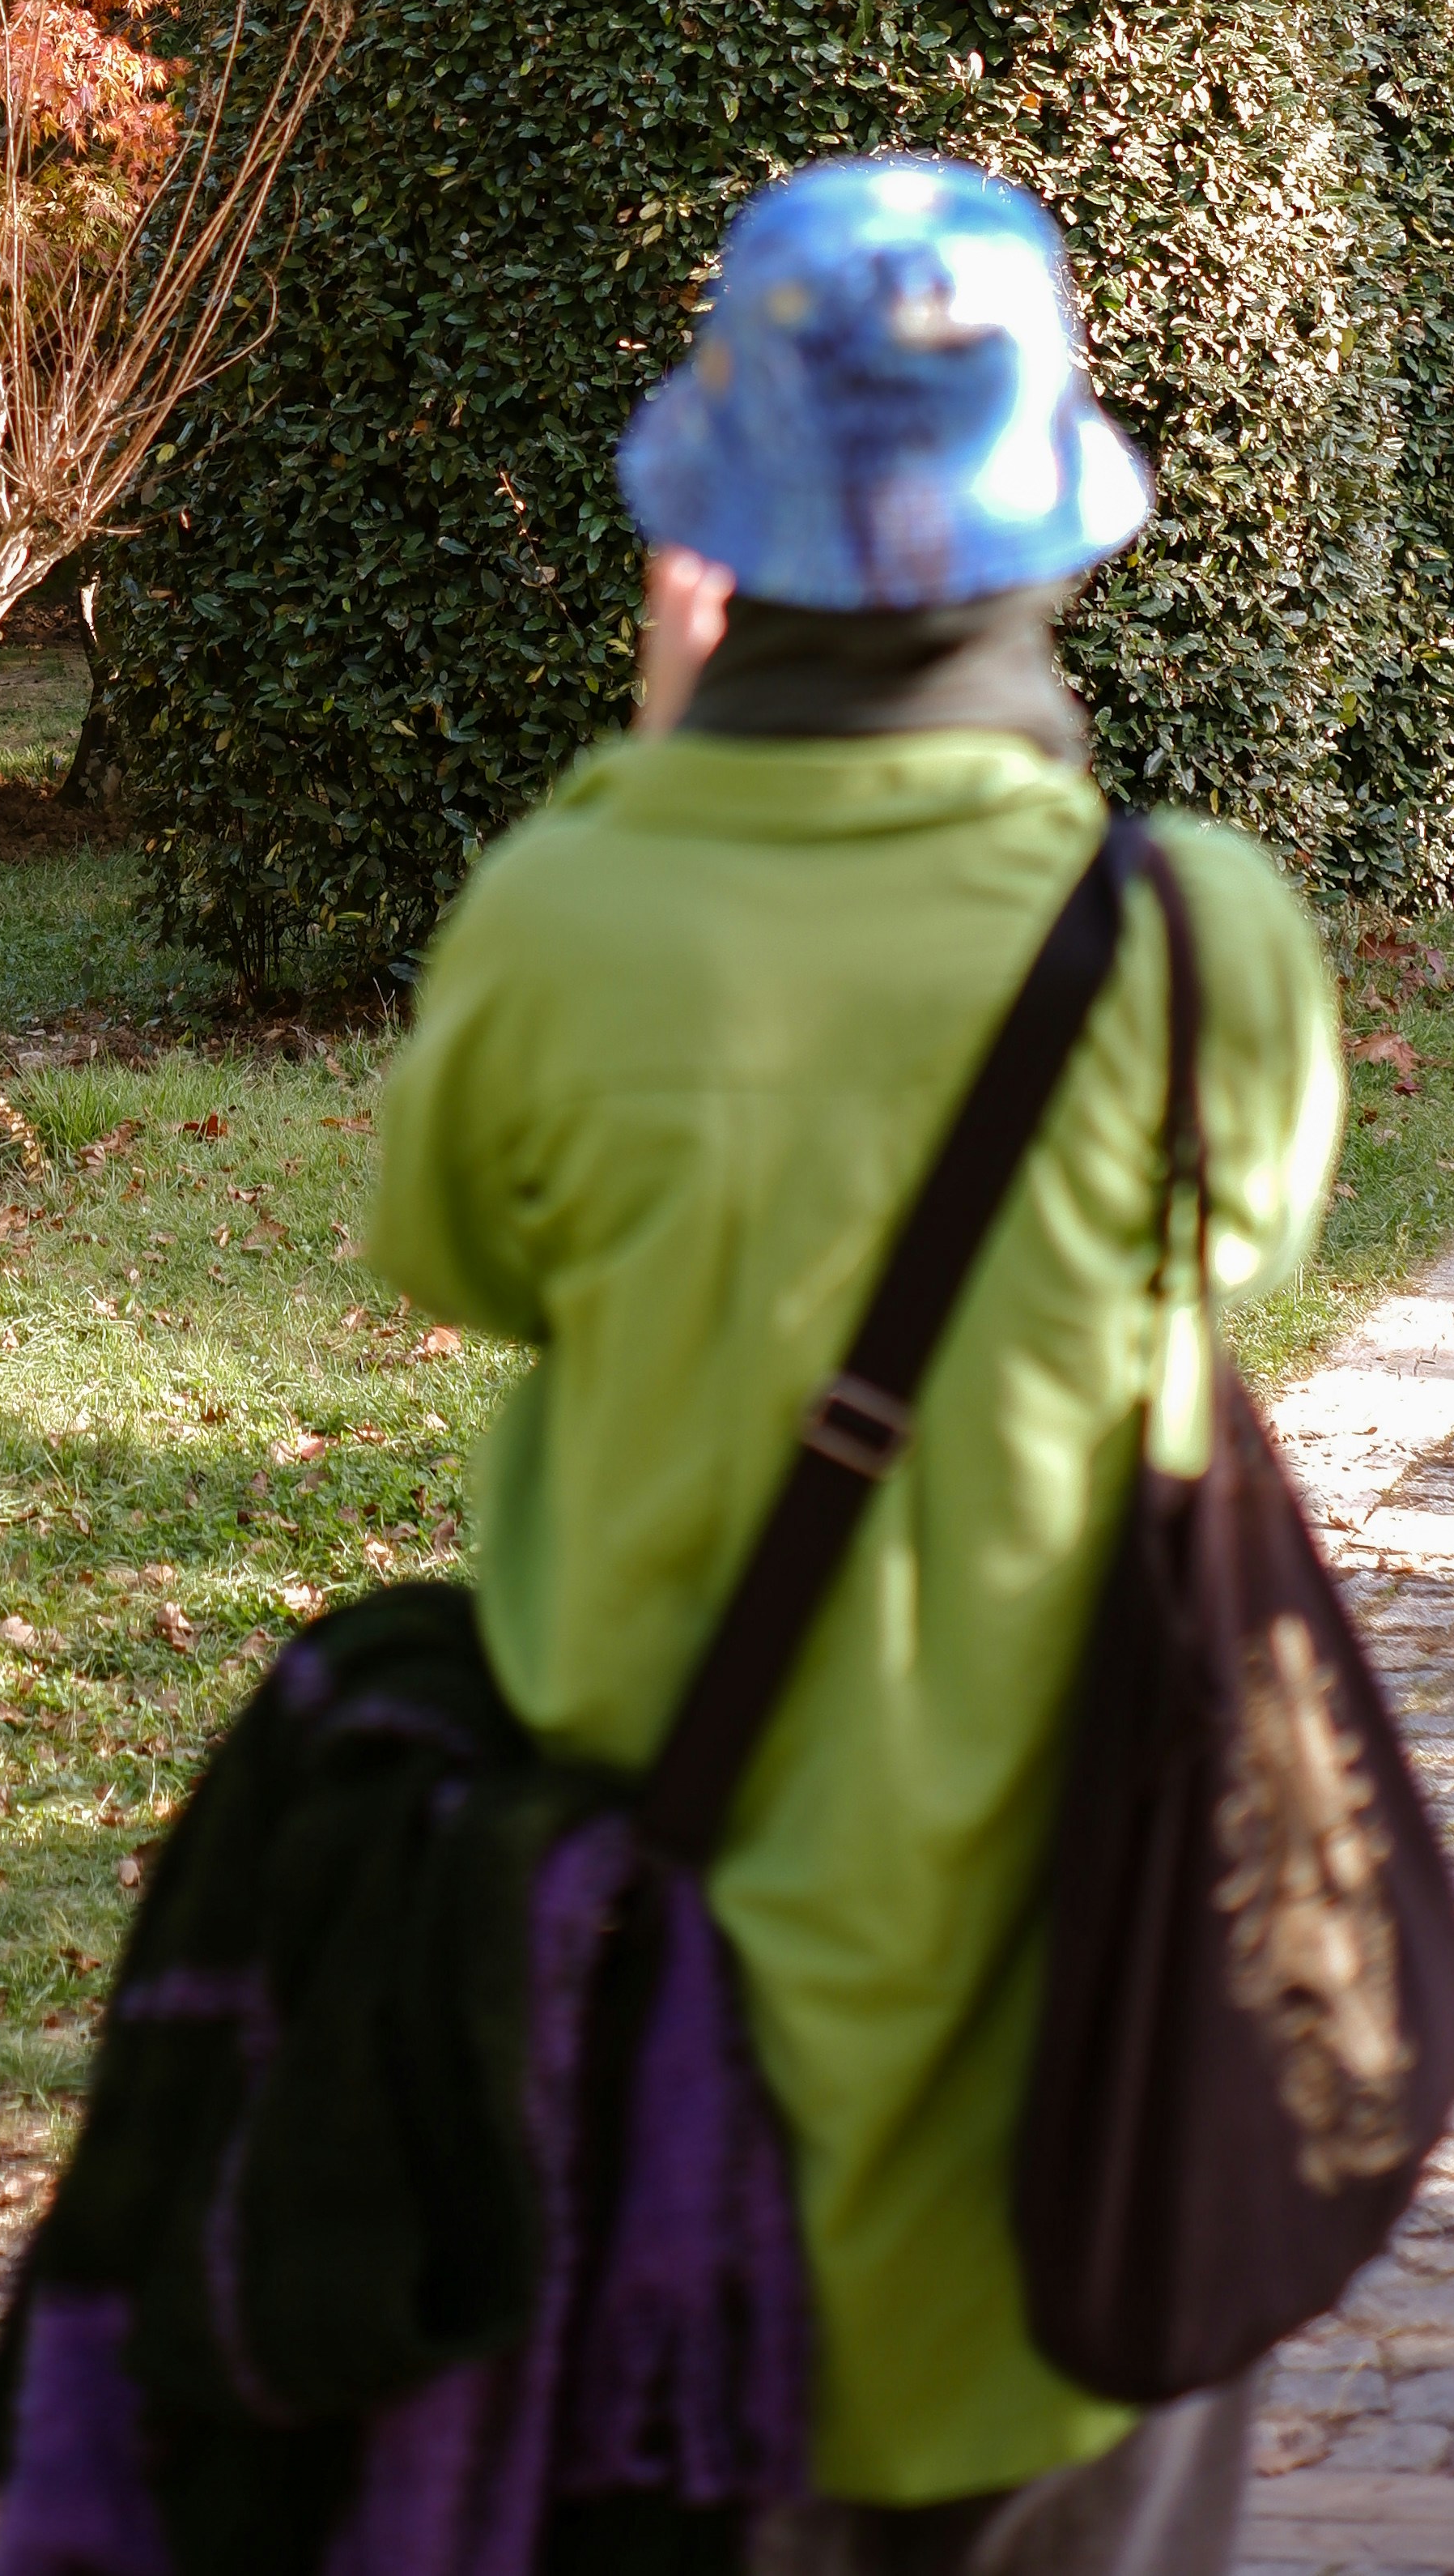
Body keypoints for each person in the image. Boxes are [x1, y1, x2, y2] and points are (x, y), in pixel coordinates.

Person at [369, 153, 1344, 2576]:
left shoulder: (563, 914)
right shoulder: (1190, 942)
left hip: (665, 2053)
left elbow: (465, 1260)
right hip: (1087, 2033)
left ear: (718, 515)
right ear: (1059, 535)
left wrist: (663, 773)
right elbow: (1247, 1239)